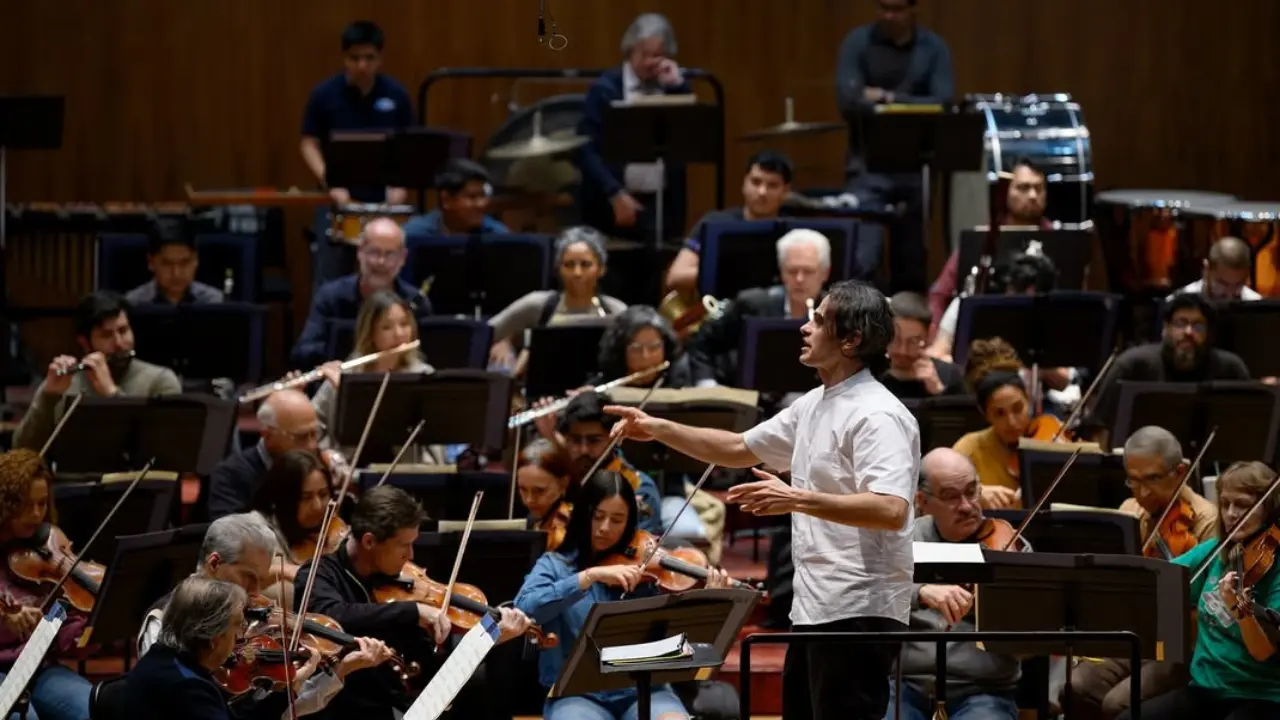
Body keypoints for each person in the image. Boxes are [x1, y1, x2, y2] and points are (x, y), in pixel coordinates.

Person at [608, 279, 919, 720]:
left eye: (817, 320)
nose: (804, 328)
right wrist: (658, 428)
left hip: (860, 609)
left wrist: (796, 497)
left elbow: (890, 510)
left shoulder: (879, 414)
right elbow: (737, 448)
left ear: (850, 340)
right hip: (816, 606)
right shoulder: (814, 403)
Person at [294, 485, 532, 720]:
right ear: (369, 541)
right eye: (404, 545)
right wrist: (413, 610)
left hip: (402, 705)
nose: (411, 556)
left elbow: (432, 670)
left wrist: (487, 640)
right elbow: (331, 616)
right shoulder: (318, 573)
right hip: (346, 710)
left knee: (482, 690)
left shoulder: (398, 584)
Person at [515, 470, 733, 720]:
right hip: (577, 695)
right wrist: (589, 577)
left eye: (617, 520)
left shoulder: (650, 572)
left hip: (646, 691)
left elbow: (693, 648)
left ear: (630, 523)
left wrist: (710, 602)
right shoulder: (554, 564)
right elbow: (524, 607)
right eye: (598, 517)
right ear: (583, 514)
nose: (604, 528)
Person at [137, 513, 393, 720]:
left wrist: (339, 671)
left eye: (262, 579)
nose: (256, 592)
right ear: (214, 564)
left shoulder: (252, 621)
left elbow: (277, 711)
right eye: (248, 576)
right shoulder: (164, 622)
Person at [1066, 426, 1217, 719]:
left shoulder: (1207, 520)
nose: (1143, 493)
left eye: (1152, 479)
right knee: (1077, 685)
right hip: (1134, 633)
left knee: (1117, 703)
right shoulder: (1129, 509)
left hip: (1181, 645)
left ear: (1181, 471)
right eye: (1133, 481)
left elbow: (1209, 609)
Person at [1118, 461, 1280, 720]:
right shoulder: (1216, 550)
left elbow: (1262, 652)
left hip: (1258, 696)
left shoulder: (1275, 568)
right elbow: (1162, 578)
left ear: (1269, 510)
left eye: (1242, 505)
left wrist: (1239, 607)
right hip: (1205, 690)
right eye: (1225, 503)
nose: (1230, 513)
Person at [887, 448, 1022, 720]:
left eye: (972, 491)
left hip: (983, 690)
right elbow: (873, 592)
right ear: (922, 501)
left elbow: (1029, 640)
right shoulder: (903, 542)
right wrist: (920, 592)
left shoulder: (1009, 546)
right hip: (907, 686)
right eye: (951, 496)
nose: (967, 505)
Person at [836, 0, 954, 292]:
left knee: (912, 261)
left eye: (897, 9)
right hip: (867, 168)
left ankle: (907, 334)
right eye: (883, 8)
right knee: (864, 258)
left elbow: (943, 102)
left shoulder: (933, 48)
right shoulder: (858, 42)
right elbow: (849, 101)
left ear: (913, 10)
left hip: (917, 168)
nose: (888, 15)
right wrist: (914, 103)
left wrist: (887, 99)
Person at [13, 290, 182, 451]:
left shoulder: (161, 380)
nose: (119, 343)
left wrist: (113, 395)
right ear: (85, 343)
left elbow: (168, 447)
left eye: (123, 331)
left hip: (140, 480)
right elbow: (22, 451)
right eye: (107, 335)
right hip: (72, 480)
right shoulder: (64, 383)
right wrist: (48, 397)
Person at [577, 13, 690, 243]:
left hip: (662, 205)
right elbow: (585, 149)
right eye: (644, 54)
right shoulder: (605, 89)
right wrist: (614, 192)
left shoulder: (673, 85)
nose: (650, 62)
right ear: (630, 50)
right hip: (614, 202)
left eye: (657, 55)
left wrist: (677, 88)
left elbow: (686, 138)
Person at [0, 449, 93, 720]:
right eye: (27, 505)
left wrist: (84, 633)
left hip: (40, 666)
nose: (37, 514)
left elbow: (64, 630)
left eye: (42, 504)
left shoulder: (47, 549)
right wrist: (5, 618)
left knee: (90, 709)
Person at [1089, 292, 1251, 439]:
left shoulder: (1230, 368)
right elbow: (1099, 429)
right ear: (1166, 328)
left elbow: (1250, 427)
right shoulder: (1132, 365)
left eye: (1198, 326)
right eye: (1181, 323)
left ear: (1209, 333)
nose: (1188, 332)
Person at [310, 290, 441, 463]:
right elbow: (311, 427)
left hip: (404, 471)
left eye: (404, 324)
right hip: (350, 471)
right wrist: (331, 459)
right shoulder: (347, 374)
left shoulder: (423, 376)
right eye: (387, 327)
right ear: (371, 332)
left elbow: (435, 444)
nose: (399, 334)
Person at [687, 228, 830, 388]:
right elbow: (701, 341)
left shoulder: (837, 311)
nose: (799, 279)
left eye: (808, 271)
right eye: (791, 271)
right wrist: (706, 383)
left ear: (825, 273)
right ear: (781, 271)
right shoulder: (751, 303)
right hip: (750, 398)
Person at [928, 158, 1056, 329]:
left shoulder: (1058, 239)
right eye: (1023, 188)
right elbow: (940, 293)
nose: (1033, 196)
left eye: (1038, 188)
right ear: (1005, 192)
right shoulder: (984, 238)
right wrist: (934, 331)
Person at [292, 217, 432, 370]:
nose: (381, 261)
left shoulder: (416, 302)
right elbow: (303, 352)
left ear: (403, 258)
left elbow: (431, 354)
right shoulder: (331, 296)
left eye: (390, 254)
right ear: (360, 252)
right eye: (374, 252)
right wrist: (333, 354)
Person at [300, 21, 412, 206]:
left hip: (385, 196)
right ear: (344, 58)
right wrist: (330, 183)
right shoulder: (324, 94)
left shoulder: (396, 94)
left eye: (369, 58)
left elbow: (409, 145)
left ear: (380, 58)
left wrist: (400, 185)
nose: (362, 65)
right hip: (336, 194)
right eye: (355, 58)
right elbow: (309, 144)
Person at [487, 226, 627, 373]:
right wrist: (504, 341)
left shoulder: (617, 312)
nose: (577, 273)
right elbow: (482, 335)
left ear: (601, 269)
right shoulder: (536, 305)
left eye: (585, 265)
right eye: (569, 265)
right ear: (558, 269)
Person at [532, 391, 664, 535]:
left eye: (594, 440)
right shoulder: (560, 480)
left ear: (614, 437)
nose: (584, 450)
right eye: (576, 440)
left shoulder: (638, 488)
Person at [664, 151, 795, 295]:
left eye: (772, 185)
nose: (762, 192)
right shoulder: (714, 223)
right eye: (755, 182)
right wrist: (732, 274)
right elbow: (676, 276)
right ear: (744, 183)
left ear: (785, 191)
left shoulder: (796, 232)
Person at [124, 577, 248, 720]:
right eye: (237, 625)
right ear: (214, 638)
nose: (240, 636)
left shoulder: (162, 656)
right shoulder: (188, 687)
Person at [207, 389, 322, 520]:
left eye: (315, 434)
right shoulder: (230, 475)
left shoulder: (318, 466)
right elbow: (229, 535)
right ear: (267, 435)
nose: (312, 445)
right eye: (301, 437)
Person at [950, 338, 1031, 509]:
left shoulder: (1053, 438)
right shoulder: (971, 447)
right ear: (985, 414)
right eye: (999, 413)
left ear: (1028, 400)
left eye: (1018, 408)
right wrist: (975, 493)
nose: (1012, 422)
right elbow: (939, 490)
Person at [251, 450, 339, 604]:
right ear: (284, 499)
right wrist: (282, 570)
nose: (318, 506)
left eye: (324, 494)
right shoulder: (255, 532)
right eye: (306, 498)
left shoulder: (335, 529)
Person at [879, 292, 964, 399]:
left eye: (913, 341)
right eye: (895, 339)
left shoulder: (949, 375)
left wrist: (938, 390)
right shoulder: (867, 375)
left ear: (929, 335)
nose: (903, 351)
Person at [125, 218, 225, 306]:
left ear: (196, 260)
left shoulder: (212, 301)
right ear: (151, 262)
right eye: (167, 264)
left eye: (184, 263)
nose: (176, 273)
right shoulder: (134, 303)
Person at [593, 305, 693, 388]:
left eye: (654, 348)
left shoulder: (680, 382)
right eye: (636, 349)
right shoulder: (603, 386)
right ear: (621, 351)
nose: (646, 356)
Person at [403, 159, 510, 237]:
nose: (482, 204)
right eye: (472, 197)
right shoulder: (414, 236)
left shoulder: (497, 235)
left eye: (483, 196)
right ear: (446, 200)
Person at [516, 439, 575, 549]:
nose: (529, 500)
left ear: (563, 483)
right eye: (523, 489)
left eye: (539, 491)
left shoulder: (573, 527)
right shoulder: (533, 520)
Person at [1169, 236, 1262, 302]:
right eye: (1223, 284)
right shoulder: (1177, 303)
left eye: (1238, 284)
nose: (1229, 295)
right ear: (1206, 270)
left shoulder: (1257, 307)